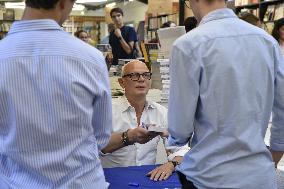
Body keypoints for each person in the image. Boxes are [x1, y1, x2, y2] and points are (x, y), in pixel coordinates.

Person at [168, 0, 284, 188]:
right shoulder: (267, 41)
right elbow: (282, 106)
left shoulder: (188, 45)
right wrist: (275, 153)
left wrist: (173, 138)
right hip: (258, 173)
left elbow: (180, 128)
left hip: (209, 175)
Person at [0, 0, 112, 188]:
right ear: (63, 3)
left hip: (15, 182)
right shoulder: (90, 58)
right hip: (81, 181)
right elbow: (101, 135)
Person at [100, 60, 189, 181]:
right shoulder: (106, 110)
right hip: (112, 179)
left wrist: (171, 165)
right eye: (134, 75)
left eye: (146, 75)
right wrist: (128, 137)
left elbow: (182, 149)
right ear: (122, 83)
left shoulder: (161, 112)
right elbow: (97, 146)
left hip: (147, 178)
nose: (141, 79)